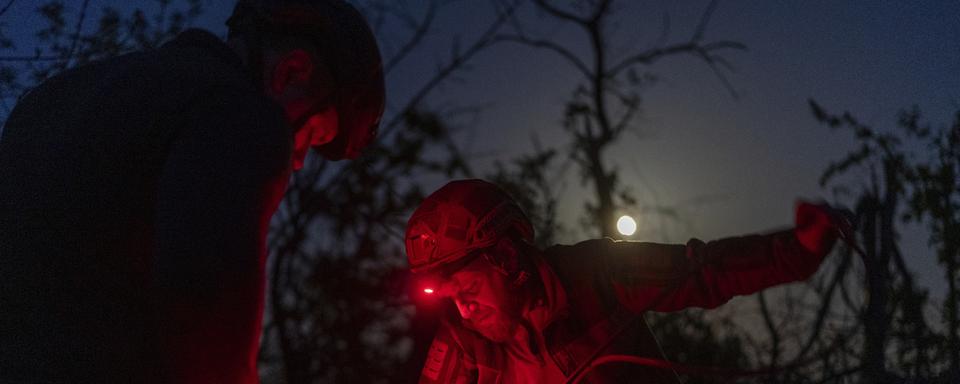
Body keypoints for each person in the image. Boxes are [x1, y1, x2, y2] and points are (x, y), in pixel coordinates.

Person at [0, 1, 383, 383]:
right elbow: (205, 315)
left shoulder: (56, 97)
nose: (297, 161)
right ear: (291, 71)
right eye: (310, 136)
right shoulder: (239, 114)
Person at [405, 179, 841, 383]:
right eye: (451, 300)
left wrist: (797, 250)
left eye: (468, 289)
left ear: (506, 257)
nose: (464, 310)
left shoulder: (595, 274)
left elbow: (702, 271)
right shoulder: (463, 350)